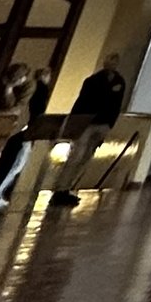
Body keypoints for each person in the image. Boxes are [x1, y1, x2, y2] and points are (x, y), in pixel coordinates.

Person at [50, 52, 130, 206]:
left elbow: (117, 104)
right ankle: (60, 189)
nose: (111, 64)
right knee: (76, 156)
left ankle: (69, 187)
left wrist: (110, 124)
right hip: (87, 123)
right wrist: (75, 122)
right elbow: (82, 102)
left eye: (114, 62)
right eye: (109, 61)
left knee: (86, 157)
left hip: (103, 123)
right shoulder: (92, 81)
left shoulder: (119, 81)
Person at [0, 63, 35, 213]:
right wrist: (8, 89)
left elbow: (15, 109)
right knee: (7, 164)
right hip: (3, 129)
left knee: (16, 165)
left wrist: (9, 89)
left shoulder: (28, 86)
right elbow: (8, 106)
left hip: (17, 130)